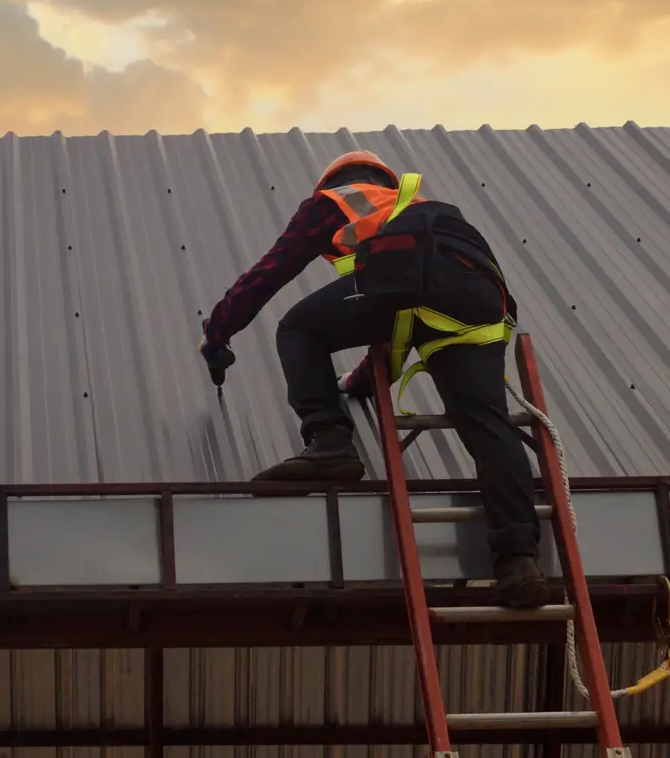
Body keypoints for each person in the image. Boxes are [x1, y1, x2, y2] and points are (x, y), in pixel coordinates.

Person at [196, 150, 546, 609]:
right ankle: (519, 562)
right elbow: (398, 322)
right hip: (478, 305)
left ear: (330, 182)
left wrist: (218, 332)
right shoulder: (420, 210)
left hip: (414, 289)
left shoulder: (333, 201)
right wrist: (360, 381)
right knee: (487, 425)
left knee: (297, 328)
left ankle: (329, 442)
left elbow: (271, 271)